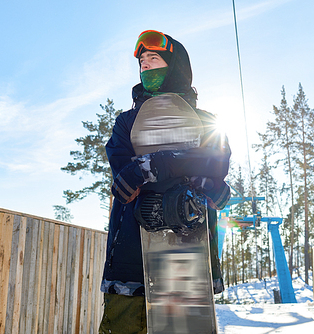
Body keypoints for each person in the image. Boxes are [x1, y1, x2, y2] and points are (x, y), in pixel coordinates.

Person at [98, 30, 231, 334]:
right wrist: (184, 163)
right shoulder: (126, 123)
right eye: (142, 63)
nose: (146, 67)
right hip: (130, 248)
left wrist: (152, 164)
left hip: (187, 246)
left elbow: (216, 167)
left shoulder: (208, 122)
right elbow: (123, 178)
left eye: (153, 60)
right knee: (124, 327)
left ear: (175, 66)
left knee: (183, 329)